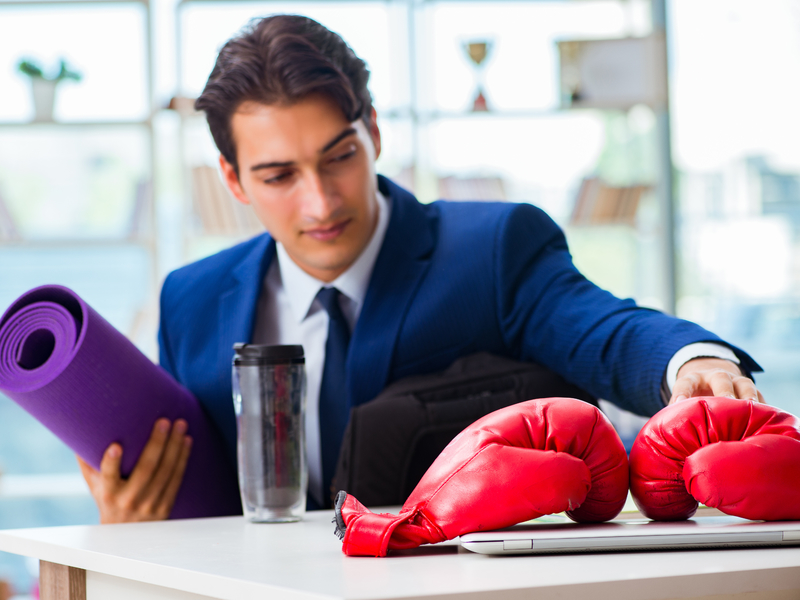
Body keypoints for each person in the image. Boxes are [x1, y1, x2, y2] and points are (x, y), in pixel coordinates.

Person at [78, 14, 764, 523]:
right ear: (231, 179)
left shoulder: (491, 249)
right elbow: (190, 488)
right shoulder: (190, 300)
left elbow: (602, 328)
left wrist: (689, 363)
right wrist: (129, 518)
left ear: (373, 131)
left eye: (339, 156)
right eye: (279, 174)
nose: (320, 201)